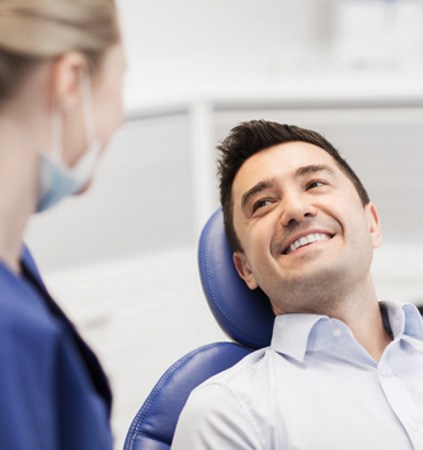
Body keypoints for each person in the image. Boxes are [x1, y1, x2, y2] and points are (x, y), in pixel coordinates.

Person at [172, 120, 423, 449]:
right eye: (262, 203)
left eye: (315, 183)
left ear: (372, 223)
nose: (295, 209)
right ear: (245, 268)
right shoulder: (227, 412)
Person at [0, 1, 125, 448]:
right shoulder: (8, 330)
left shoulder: (18, 268)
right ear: (71, 79)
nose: (121, 111)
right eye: (120, 76)